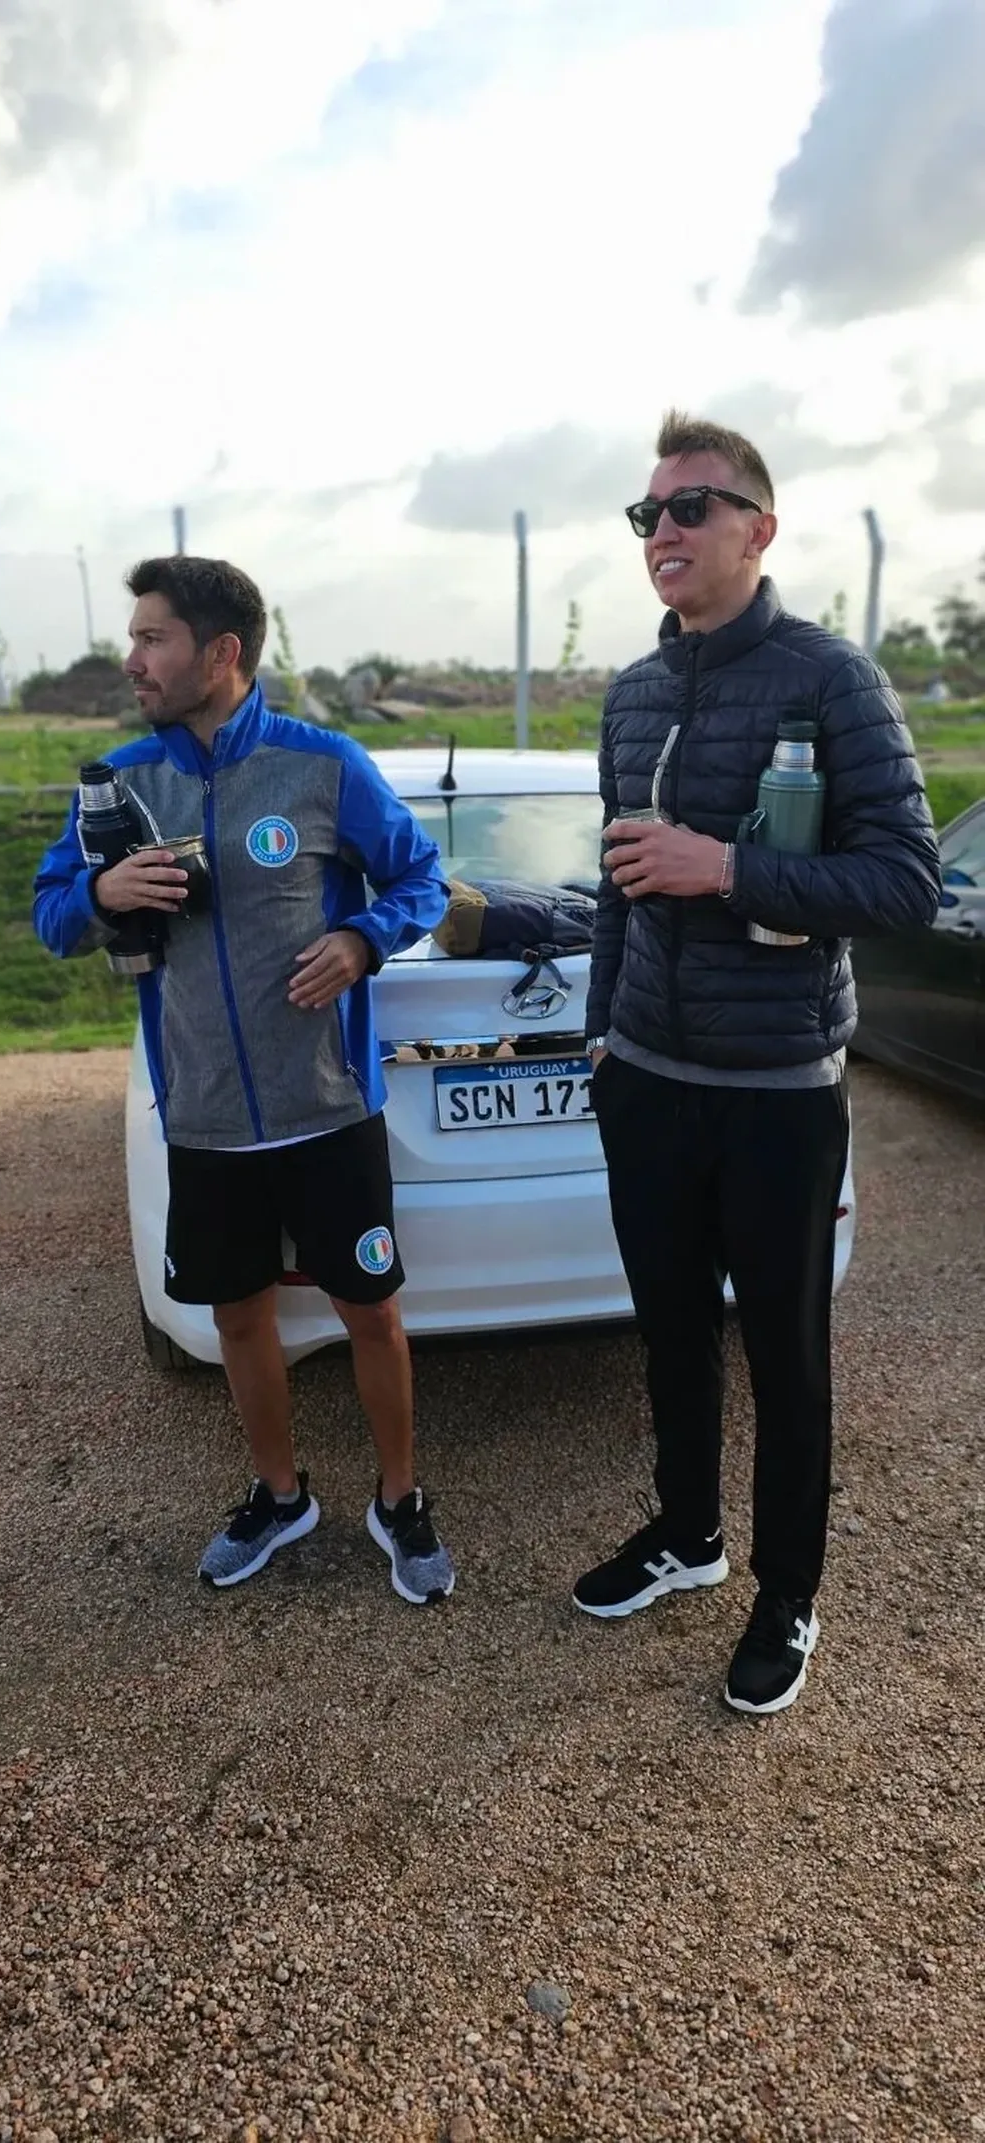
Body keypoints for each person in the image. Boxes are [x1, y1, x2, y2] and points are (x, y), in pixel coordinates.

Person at [572, 411, 940, 1714]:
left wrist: (724, 866)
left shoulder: (832, 680)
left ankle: (787, 1592)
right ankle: (687, 1535)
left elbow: (906, 879)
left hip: (781, 1092)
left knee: (783, 1353)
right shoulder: (628, 691)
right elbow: (618, 884)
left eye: (690, 508)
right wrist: (605, 1031)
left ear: (758, 528)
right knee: (669, 1330)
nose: (662, 531)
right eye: (648, 513)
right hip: (650, 1081)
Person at [34, 556, 455, 1604]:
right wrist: (98, 888)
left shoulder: (323, 764)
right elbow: (52, 916)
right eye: (135, 638)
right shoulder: (122, 779)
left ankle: (398, 1500)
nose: (132, 659)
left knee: (372, 1311)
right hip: (209, 1120)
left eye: (152, 639)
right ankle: (280, 1495)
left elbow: (419, 876)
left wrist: (362, 939)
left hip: (327, 1110)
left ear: (220, 653)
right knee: (236, 1319)